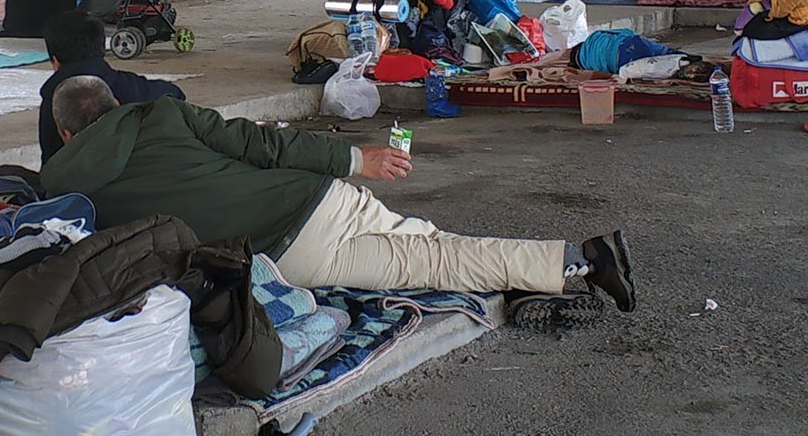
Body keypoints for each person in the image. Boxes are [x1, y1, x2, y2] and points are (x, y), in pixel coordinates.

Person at [41, 78, 635, 311]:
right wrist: (358, 158)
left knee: (431, 259)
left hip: (281, 255)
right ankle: (571, 259)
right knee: (430, 243)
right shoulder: (163, 115)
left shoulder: (63, 196)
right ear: (114, 107)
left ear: (67, 134)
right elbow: (260, 145)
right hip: (317, 196)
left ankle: (575, 263)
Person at [37, 9, 185, 163]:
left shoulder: (53, 104)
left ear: (54, 61)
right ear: (101, 49)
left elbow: (51, 162)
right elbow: (176, 95)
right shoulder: (134, 87)